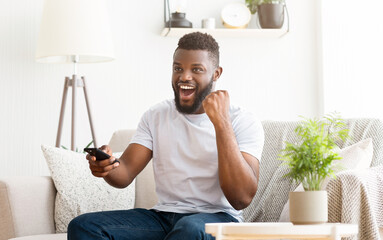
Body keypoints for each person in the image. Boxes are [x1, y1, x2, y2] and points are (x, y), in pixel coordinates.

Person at [68, 32, 264, 240]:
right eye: (178, 68)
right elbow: (124, 174)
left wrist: (222, 124)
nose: (184, 76)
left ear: (216, 74)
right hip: (163, 217)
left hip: (219, 218)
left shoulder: (242, 121)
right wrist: (107, 166)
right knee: (84, 226)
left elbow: (241, 198)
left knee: (190, 229)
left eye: (196, 69)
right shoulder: (156, 115)